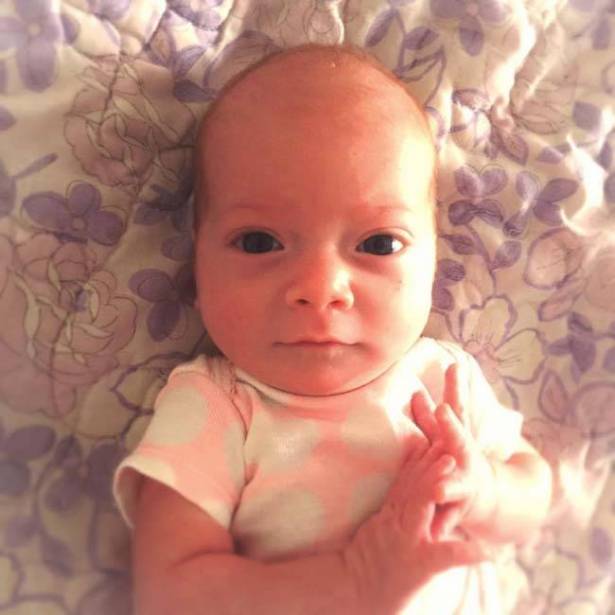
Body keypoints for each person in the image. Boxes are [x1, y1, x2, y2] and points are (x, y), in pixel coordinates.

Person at [112, 43, 552, 614]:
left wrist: (486, 492)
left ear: (434, 257)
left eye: (378, 243)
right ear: (197, 259)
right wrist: (351, 582)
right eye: (259, 242)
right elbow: (170, 593)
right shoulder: (218, 407)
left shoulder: (442, 382)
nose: (320, 288)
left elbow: (532, 491)